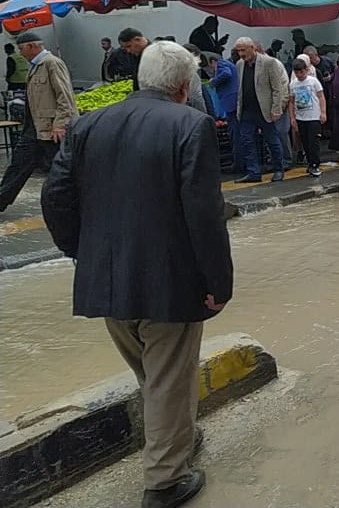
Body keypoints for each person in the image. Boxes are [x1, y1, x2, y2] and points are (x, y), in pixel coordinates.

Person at [41, 41, 233, 508]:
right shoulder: (191, 125)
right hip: (169, 283)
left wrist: (80, 252)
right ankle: (165, 482)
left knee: (154, 375)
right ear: (184, 86)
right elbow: (204, 214)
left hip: (107, 281)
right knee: (168, 377)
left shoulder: (89, 125)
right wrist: (219, 284)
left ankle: (177, 441)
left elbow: (55, 196)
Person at [0, 32, 77, 212]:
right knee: (18, 166)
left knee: (60, 171)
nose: (20, 53)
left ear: (33, 46)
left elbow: (65, 97)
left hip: (51, 129)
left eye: (22, 49)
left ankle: (73, 203)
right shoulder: (34, 66)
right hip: (34, 128)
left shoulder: (52, 63)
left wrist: (60, 124)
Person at [234, 37, 288, 183]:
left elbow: (277, 88)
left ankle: (278, 169)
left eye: (243, 50)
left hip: (265, 109)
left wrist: (277, 108)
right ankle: (253, 172)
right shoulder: (239, 64)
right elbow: (239, 88)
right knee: (247, 141)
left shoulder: (268, 62)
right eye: (238, 51)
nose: (241, 54)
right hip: (247, 110)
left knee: (272, 140)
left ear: (252, 48)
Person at [288, 58, 327, 176]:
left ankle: (315, 164)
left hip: (313, 116)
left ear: (306, 70)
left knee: (313, 141)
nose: (299, 75)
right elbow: (291, 101)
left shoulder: (313, 81)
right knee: (305, 142)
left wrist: (323, 112)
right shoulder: (293, 84)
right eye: (297, 72)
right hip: (301, 117)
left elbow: (321, 96)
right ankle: (310, 163)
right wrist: (292, 118)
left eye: (302, 72)